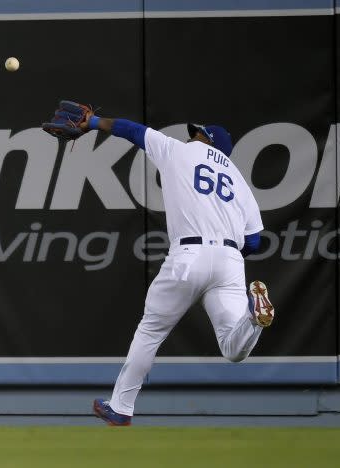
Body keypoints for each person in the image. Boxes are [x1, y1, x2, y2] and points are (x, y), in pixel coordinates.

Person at [79, 114, 275, 426]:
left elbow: (132, 131)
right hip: (229, 261)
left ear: (209, 140)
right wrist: (226, 252)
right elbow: (253, 240)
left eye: (198, 134)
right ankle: (254, 318)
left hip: (190, 253)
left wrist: (94, 122)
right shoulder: (238, 179)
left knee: (151, 329)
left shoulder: (179, 151)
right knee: (233, 349)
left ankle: (121, 407)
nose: (192, 136)